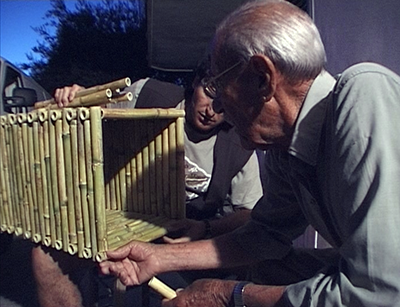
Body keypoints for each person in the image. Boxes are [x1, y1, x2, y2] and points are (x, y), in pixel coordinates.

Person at [99, 1, 400, 306]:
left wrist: (226, 296)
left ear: (261, 78)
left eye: (218, 85)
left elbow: (381, 294)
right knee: (269, 267)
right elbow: (265, 235)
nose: (219, 109)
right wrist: (160, 257)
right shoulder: (287, 151)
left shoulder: (364, 95)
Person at [32, 59, 263, 307]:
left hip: (177, 239)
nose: (211, 111)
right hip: (118, 219)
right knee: (45, 258)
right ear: (196, 82)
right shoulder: (149, 93)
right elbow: (95, 104)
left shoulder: (240, 145)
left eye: (224, 105)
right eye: (210, 93)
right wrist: (76, 95)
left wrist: (204, 228)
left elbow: (250, 213)